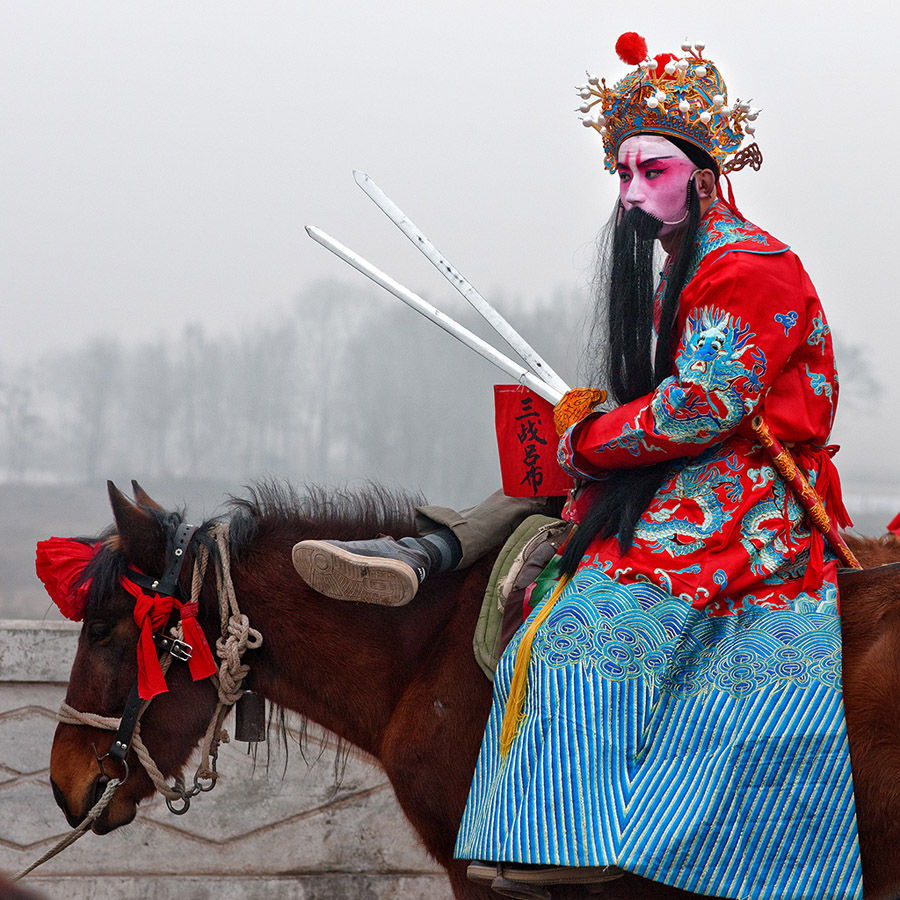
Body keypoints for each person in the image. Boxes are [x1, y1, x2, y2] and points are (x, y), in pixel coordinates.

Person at [296, 33, 863, 898]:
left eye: (652, 171)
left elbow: (705, 405)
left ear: (707, 172)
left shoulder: (748, 269)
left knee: (582, 621)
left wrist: (589, 436)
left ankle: (575, 837)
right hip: (700, 473)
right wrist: (596, 430)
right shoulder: (693, 262)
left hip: (747, 492)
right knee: (550, 533)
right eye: (623, 175)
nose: (632, 194)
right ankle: (429, 556)